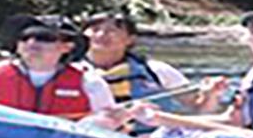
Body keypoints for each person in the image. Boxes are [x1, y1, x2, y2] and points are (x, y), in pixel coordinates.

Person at [0, 15, 130, 130]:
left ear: (67, 47)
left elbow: (109, 127)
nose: (32, 43)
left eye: (44, 38)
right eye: (25, 38)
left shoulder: (90, 84)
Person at [77, 11, 227, 113]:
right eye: (95, 29)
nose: (102, 35)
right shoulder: (67, 71)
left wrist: (211, 94)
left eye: (112, 30)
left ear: (130, 39)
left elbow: (199, 109)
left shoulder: (157, 71)